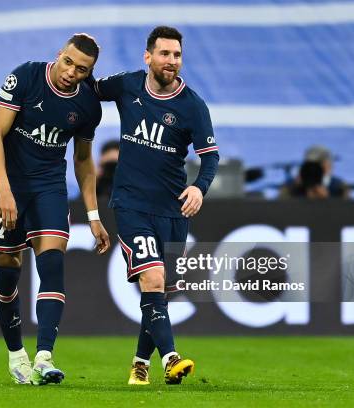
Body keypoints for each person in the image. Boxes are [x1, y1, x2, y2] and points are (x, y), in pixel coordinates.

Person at [0, 33, 110, 386]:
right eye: (68, 62)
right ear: (59, 56)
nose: (72, 73)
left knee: (52, 261)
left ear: (90, 71)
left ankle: (44, 357)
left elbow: (83, 161)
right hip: (8, 184)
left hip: (49, 187)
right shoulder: (25, 77)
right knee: (7, 270)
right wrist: (4, 191)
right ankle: (16, 354)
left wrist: (94, 216)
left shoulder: (88, 106)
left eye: (82, 70)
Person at [92, 26, 219, 385]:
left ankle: (139, 364)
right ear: (148, 57)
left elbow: (210, 157)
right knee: (154, 277)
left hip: (174, 210)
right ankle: (170, 358)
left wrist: (199, 188)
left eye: (177, 55)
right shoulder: (127, 85)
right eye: (164, 54)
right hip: (131, 204)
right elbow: (88, 90)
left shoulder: (192, 105)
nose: (171, 61)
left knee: (160, 290)